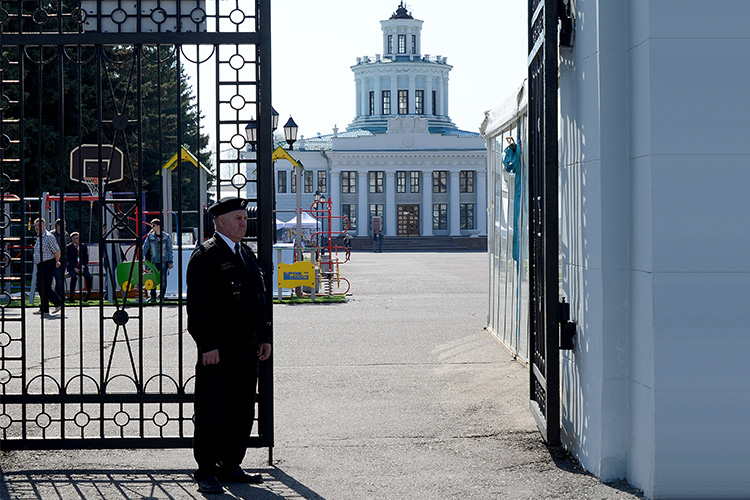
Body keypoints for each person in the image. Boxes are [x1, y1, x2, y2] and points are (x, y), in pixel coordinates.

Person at [186, 197, 272, 494]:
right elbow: (198, 307)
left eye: (244, 218)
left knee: (241, 409)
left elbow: (258, 298)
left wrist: (264, 336)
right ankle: (206, 470)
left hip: (246, 348)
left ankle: (231, 464)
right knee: (212, 409)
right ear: (220, 221)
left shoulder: (245, 252)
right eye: (237, 218)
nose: (243, 222)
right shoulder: (206, 255)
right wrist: (207, 344)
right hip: (218, 351)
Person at [32, 218, 62, 315]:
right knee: (41, 287)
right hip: (41, 265)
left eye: (39, 225)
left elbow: (57, 250)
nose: (37, 228)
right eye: (35, 226)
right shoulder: (39, 236)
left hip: (48, 264)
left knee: (45, 287)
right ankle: (44, 309)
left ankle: (58, 302)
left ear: (44, 226)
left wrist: (57, 261)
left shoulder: (49, 236)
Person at [143, 218, 173, 303]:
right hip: (154, 260)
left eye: (154, 225)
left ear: (158, 226)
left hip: (164, 260)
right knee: (153, 278)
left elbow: (169, 249)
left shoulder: (166, 237)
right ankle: (153, 297)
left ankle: (161, 296)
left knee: (163, 278)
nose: (152, 227)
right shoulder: (150, 236)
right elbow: (145, 247)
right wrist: (141, 257)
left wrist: (170, 261)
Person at [66, 232, 93, 302]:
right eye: (75, 238)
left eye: (78, 238)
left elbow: (85, 258)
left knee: (88, 277)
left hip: (82, 266)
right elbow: (69, 259)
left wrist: (83, 267)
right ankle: (72, 296)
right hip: (73, 267)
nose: (77, 240)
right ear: (72, 239)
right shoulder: (69, 247)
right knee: (74, 277)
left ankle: (88, 293)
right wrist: (74, 268)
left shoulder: (83, 247)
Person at [52, 218, 71, 301]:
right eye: (63, 225)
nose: (65, 227)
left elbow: (68, 246)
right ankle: (60, 295)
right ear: (58, 226)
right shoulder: (52, 234)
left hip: (64, 258)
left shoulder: (66, 234)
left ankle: (58, 295)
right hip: (55, 258)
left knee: (60, 278)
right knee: (58, 277)